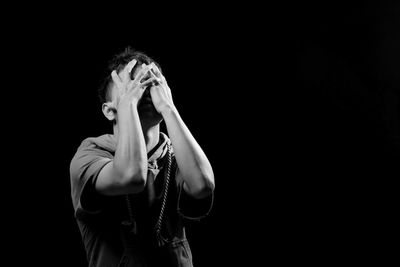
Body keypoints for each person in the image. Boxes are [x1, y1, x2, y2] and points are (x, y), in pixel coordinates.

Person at [70, 47, 215, 267]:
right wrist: (128, 103)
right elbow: (130, 176)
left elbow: (202, 185)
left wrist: (168, 108)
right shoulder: (91, 152)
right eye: (131, 84)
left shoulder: (177, 154)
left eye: (151, 82)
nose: (143, 89)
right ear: (109, 111)